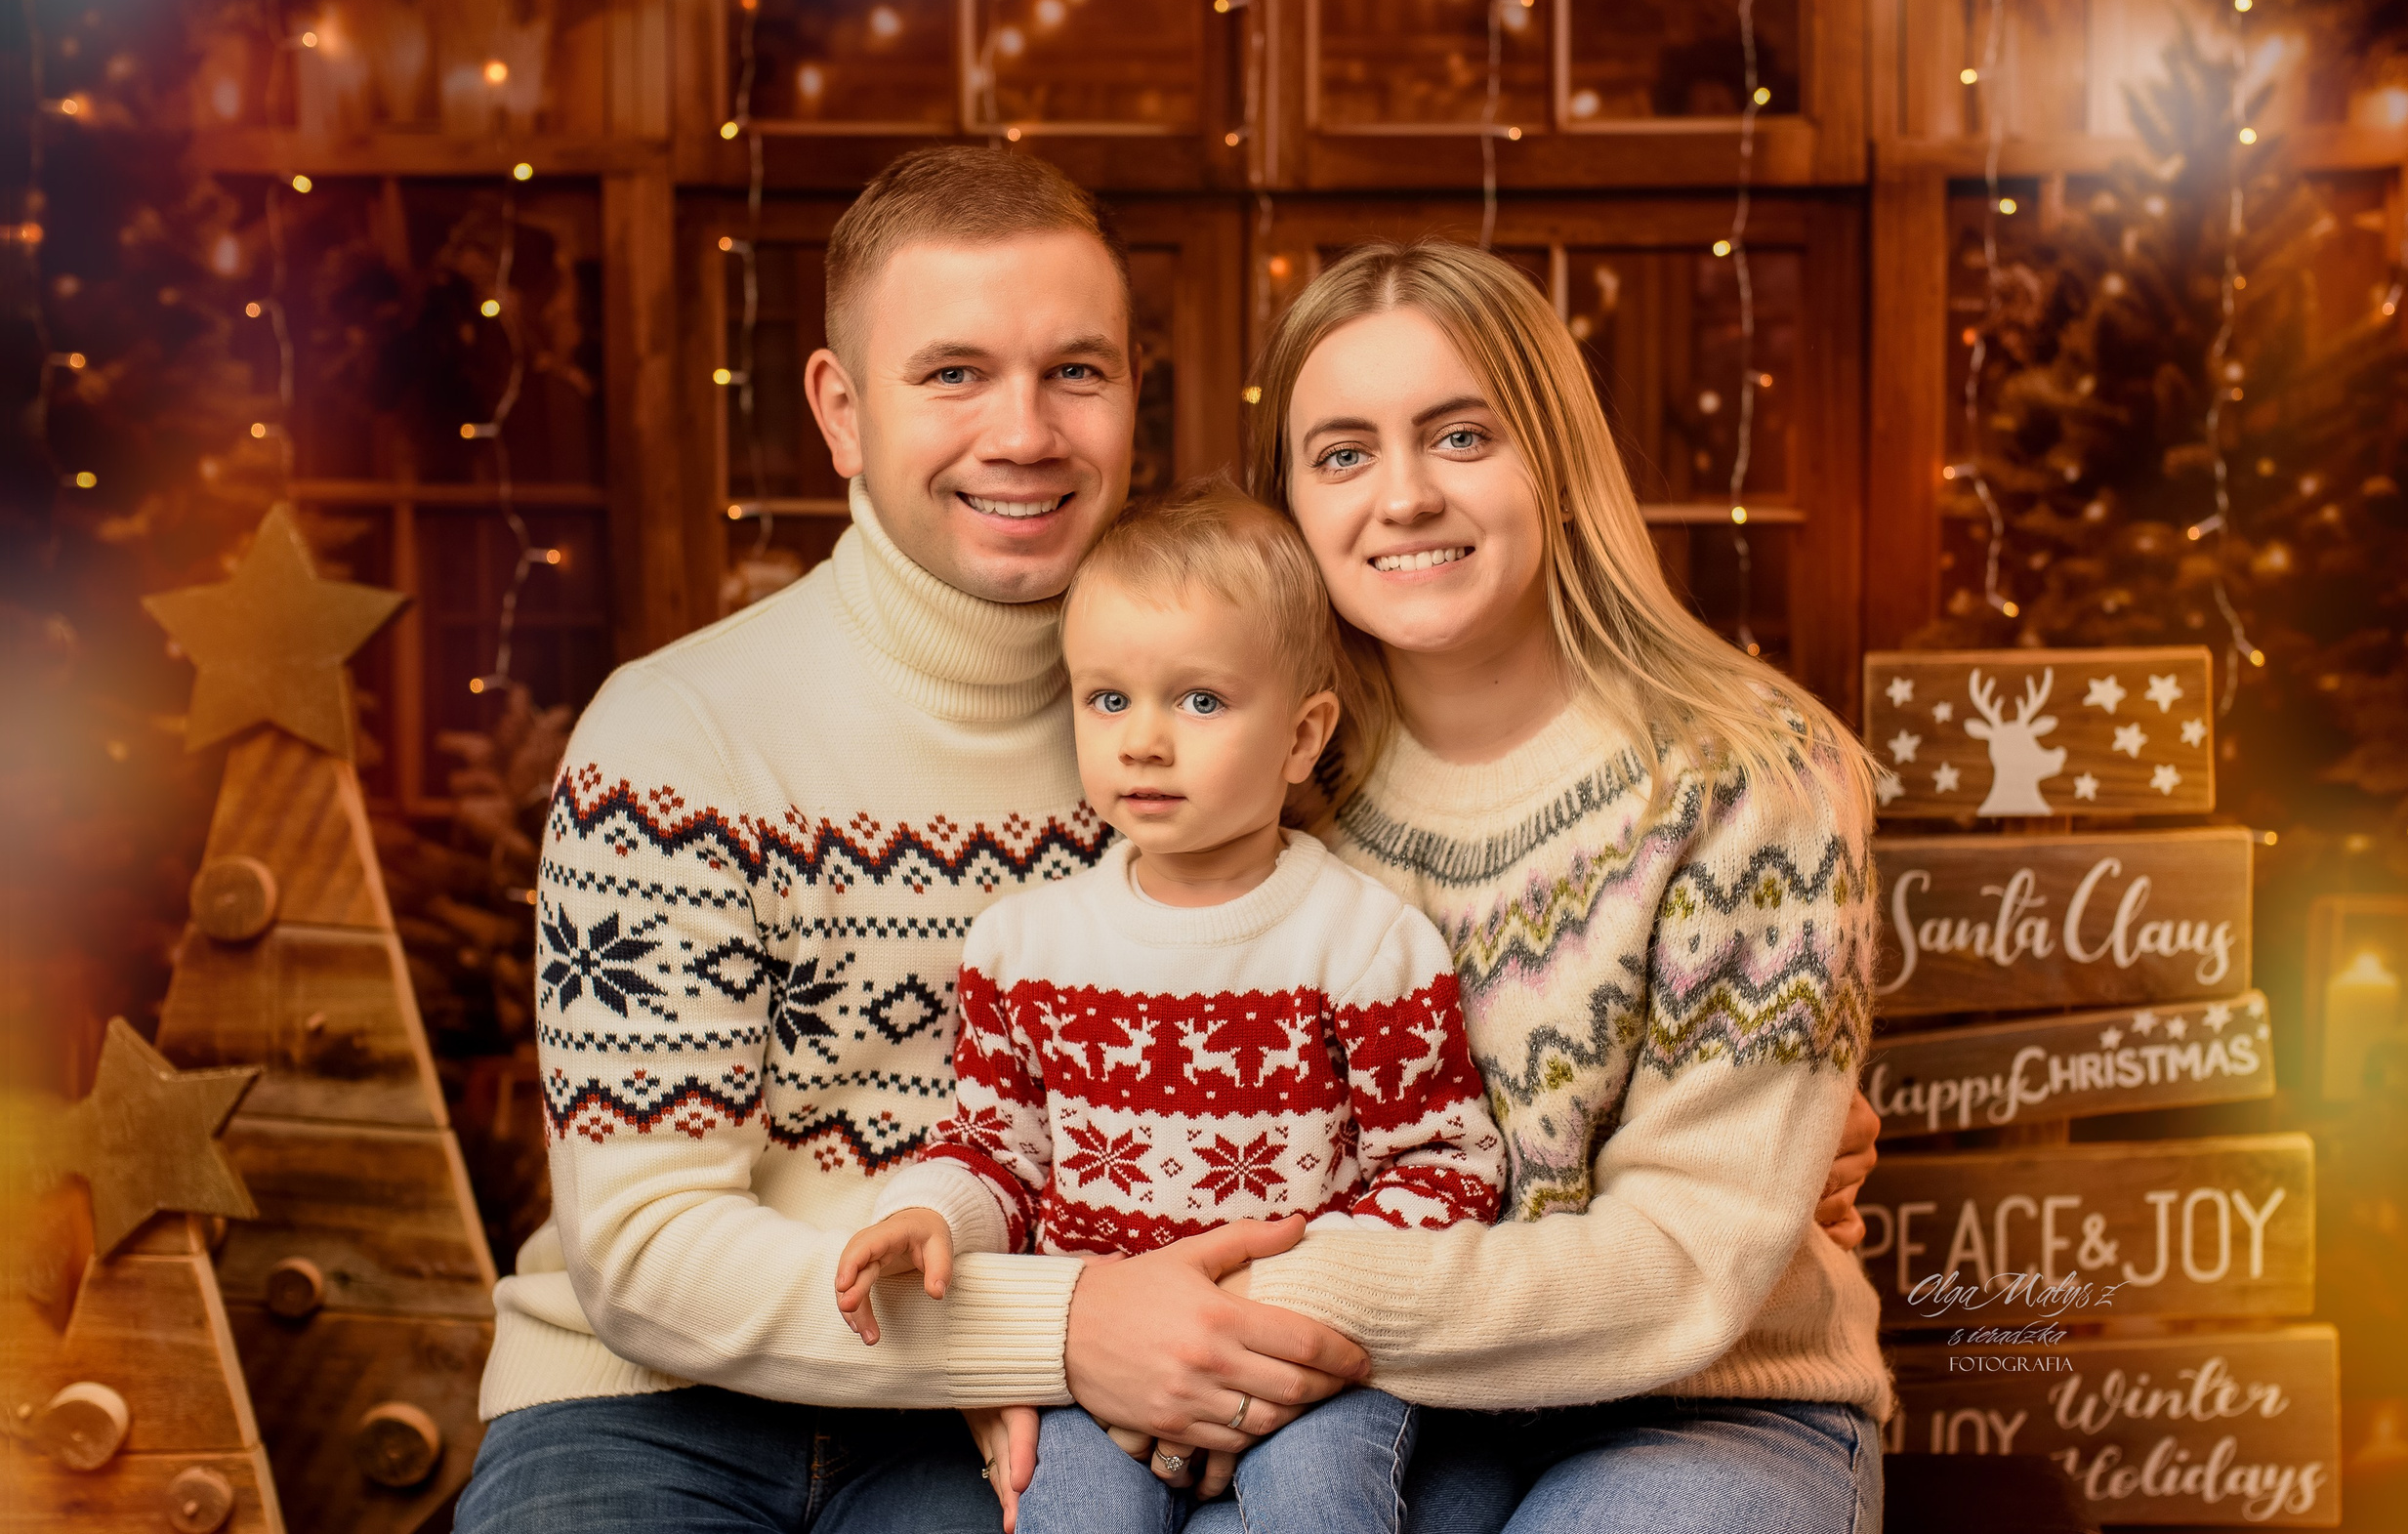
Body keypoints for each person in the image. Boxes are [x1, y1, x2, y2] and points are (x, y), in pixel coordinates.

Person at [453, 145, 1879, 1534]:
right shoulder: (680, 734)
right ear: (837, 409)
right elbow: (646, 1249)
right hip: (707, 1396)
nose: (1024, 433)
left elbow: (1618, 1184)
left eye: (1073, 371)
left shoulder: (1257, 738)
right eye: (953, 372)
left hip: (1198, 1389)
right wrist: (1064, 1327)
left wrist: (1771, 1140)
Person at [1212, 238, 1893, 1532]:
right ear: (1293, 505)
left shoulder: (1749, 775)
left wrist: (1311, 1297)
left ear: (1560, 464)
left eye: (1461, 436)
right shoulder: (1276, 792)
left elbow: (1690, 1263)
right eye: (1343, 453)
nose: (1401, 496)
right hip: (1393, 1407)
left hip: (1715, 1402)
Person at [836, 482, 1505, 1534]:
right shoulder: (1024, 945)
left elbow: (1446, 1166)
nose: (1143, 739)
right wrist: (927, 1214)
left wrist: (1286, 1297)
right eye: (1108, 699)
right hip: (1099, 1371)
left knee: (1319, 1508)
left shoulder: (1364, 942)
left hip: (1303, 1361)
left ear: (1299, 736)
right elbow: (993, 1149)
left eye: (1199, 701)